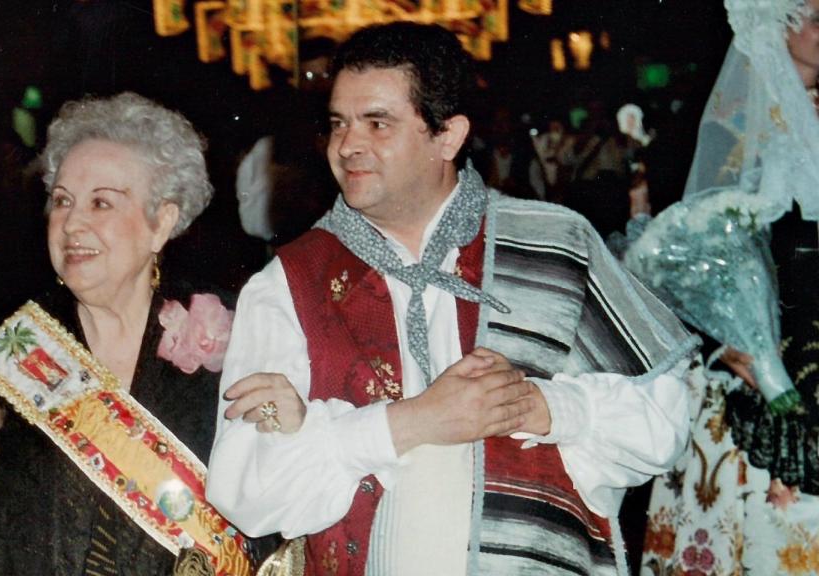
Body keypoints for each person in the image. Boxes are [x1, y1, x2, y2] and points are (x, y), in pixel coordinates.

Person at [208, 22, 699, 576]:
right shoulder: (290, 282)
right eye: (339, 123)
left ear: (448, 136)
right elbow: (245, 493)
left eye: (378, 123)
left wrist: (543, 407)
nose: (347, 146)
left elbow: (663, 420)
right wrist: (411, 422)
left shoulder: (554, 245)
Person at [0, 92, 260, 576]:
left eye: (101, 202)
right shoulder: (24, 344)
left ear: (161, 223)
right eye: (62, 200)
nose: (72, 223)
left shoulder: (227, 332)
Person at [638, 1, 819, 574]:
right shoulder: (727, 124)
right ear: (773, 24)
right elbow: (673, 260)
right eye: (814, 16)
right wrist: (726, 344)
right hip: (753, 371)